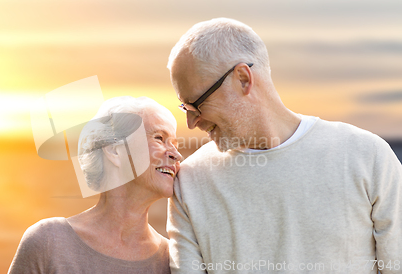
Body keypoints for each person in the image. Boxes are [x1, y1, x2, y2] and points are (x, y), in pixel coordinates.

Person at [166, 18, 402, 273]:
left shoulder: (367, 156)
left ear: (243, 79)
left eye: (196, 104)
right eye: (184, 108)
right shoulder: (189, 183)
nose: (191, 122)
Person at [8, 96, 182, 274]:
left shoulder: (173, 260)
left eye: (175, 145)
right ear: (114, 150)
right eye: (159, 138)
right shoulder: (48, 242)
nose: (177, 155)